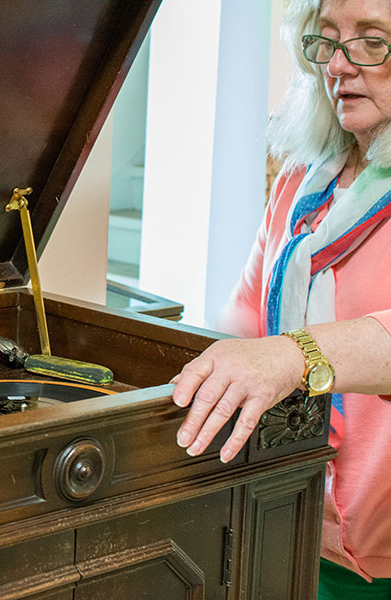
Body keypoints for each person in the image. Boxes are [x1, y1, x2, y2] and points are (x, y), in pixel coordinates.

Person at [171, 0, 391, 597]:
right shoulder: (303, 178)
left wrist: (293, 355)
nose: (339, 66)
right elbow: (243, 324)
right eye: (326, 41)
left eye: (373, 42)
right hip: (284, 522)